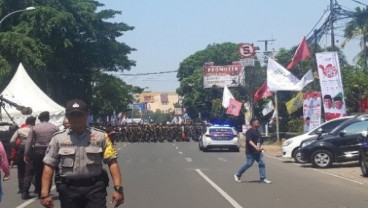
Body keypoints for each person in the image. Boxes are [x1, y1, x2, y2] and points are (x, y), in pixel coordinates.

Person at [40, 99, 124, 208]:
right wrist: (44, 193)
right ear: (67, 117)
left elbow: (112, 162)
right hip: (68, 190)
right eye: (72, 115)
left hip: (95, 189)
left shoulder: (101, 136)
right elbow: (49, 165)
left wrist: (118, 189)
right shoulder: (58, 138)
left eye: (80, 114)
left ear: (87, 115)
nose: (76, 118)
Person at [22, 111, 59, 199]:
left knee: (38, 172)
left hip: (38, 151)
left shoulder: (35, 128)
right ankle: (47, 191)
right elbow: (58, 140)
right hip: (50, 150)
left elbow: (28, 142)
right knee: (49, 171)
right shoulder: (55, 127)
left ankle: (39, 192)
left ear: (39, 119)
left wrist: (26, 154)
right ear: (48, 118)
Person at [234, 118, 271, 184]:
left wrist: (260, 147)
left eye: (259, 122)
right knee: (249, 164)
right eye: (257, 122)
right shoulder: (249, 131)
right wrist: (255, 147)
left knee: (262, 163)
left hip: (258, 152)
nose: (258, 124)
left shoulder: (257, 131)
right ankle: (237, 175)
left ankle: (263, 178)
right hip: (250, 152)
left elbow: (259, 140)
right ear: (253, 123)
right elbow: (249, 141)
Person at [10, 116, 36, 194]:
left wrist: (16, 147)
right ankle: (32, 188)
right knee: (30, 171)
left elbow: (12, 141)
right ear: (33, 122)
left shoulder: (20, 130)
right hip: (31, 150)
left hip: (21, 149)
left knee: (21, 170)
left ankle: (21, 188)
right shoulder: (34, 129)